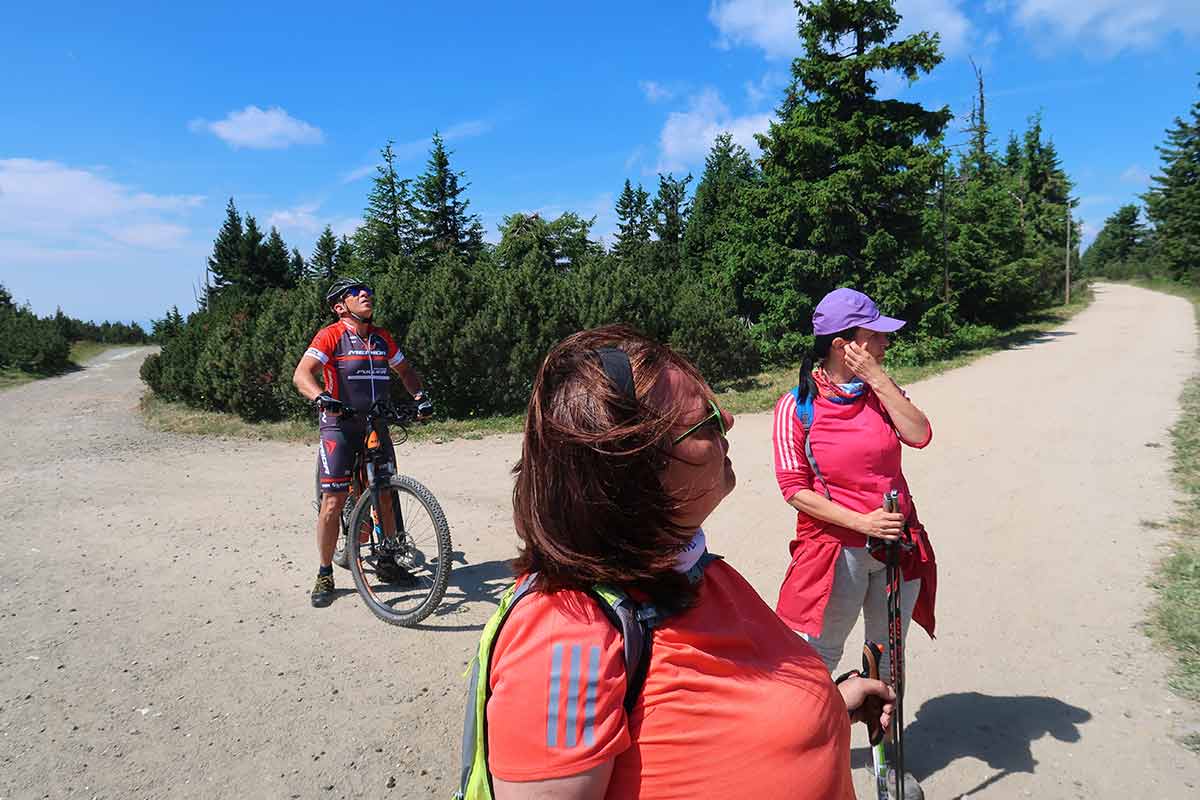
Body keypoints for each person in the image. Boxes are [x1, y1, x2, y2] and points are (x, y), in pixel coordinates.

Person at [462, 325, 895, 800]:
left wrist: (827, 705)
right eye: (706, 419)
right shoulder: (563, 633)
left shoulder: (696, 569)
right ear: (634, 468)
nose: (728, 419)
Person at [772, 287, 937, 796]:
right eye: (875, 336)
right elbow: (793, 489)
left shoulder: (882, 394)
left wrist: (878, 379)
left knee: (888, 657)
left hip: (897, 546)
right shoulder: (795, 407)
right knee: (816, 657)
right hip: (834, 553)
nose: (885, 342)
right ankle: (810, 758)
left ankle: (886, 766)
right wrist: (860, 522)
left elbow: (921, 434)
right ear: (846, 344)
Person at [292, 277, 433, 608]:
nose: (365, 294)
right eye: (355, 293)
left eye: (367, 291)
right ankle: (325, 571)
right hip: (340, 424)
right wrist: (321, 398)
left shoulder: (382, 338)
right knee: (333, 501)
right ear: (340, 306)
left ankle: (387, 560)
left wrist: (420, 396)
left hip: (377, 423)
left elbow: (406, 371)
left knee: (385, 492)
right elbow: (302, 375)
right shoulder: (331, 335)